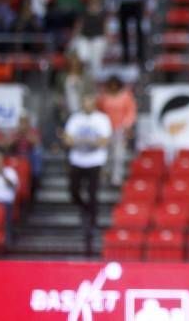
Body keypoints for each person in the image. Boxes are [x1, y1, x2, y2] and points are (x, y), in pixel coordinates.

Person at [63, 93, 112, 255]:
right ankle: (85, 209)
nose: (88, 105)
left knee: (93, 192)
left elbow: (104, 141)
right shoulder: (75, 119)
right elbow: (67, 139)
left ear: (95, 103)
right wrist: (89, 141)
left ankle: (92, 223)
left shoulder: (102, 119)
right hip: (77, 159)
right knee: (73, 191)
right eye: (85, 101)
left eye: (90, 101)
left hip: (95, 161)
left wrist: (80, 141)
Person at [96, 76, 136, 187]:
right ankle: (104, 175)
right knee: (105, 154)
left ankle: (116, 177)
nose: (113, 87)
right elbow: (99, 111)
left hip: (120, 128)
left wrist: (127, 125)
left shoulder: (126, 96)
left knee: (118, 154)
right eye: (111, 85)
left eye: (115, 85)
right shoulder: (103, 96)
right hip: (105, 129)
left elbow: (131, 111)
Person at [0, 148, 18, 245]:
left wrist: (2, 173)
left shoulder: (9, 171)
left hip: (5, 203)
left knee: (6, 225)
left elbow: (13, 185)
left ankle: (7, 243)